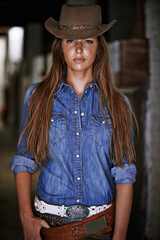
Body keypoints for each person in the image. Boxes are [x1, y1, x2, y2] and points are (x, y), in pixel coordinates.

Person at [10, 4, 138, 240]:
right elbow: (23, 159)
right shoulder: (38, 96)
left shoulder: (119, 104)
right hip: (48, 227)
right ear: (60, 47)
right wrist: (25, 218)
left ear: (99, 47)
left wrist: (119, 237)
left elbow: (124, 174)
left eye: (88, 41)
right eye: (70, 40)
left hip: (99, 228)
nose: (79, 49)